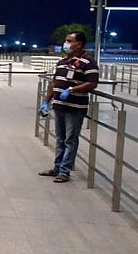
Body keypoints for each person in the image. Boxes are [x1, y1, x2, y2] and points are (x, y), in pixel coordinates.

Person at [38, 30, 98, 182]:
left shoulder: (88, 62)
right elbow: (54, 82)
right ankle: (57, 167)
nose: (66, 44)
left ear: (79, 44)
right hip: (59, 106)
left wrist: (72, 89)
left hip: (75, 107)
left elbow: (92, 83)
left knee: (70, 140)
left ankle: (65, 171)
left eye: (69, 41)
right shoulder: (62, 62)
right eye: (66, 40)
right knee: (60, 138)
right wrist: (46, 101)